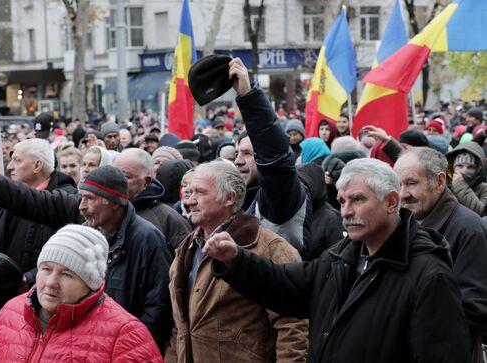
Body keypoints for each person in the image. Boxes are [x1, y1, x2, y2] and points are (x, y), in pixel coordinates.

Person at [203, 158, 470, 363]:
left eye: (357, 199)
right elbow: (284, 285)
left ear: (391, 202)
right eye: (342, 201)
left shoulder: (429, 275)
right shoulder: (341, 257)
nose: (346, 211)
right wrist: (236, 259)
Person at [0, 164, 173, 352]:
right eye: (81, 197)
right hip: (79, 344)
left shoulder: (146, 239)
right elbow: (30, 200)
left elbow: (157, 307)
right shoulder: (82, 219)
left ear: (115, 202)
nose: (81, 206)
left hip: (120, 346)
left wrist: (134, 349)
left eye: (89, 198)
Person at [165, 161, 308, 362]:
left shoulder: (269, 248)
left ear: (229, 198)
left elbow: (293, 327)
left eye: (200, 192)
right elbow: (179, 326)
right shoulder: (185, 248)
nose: (190, 201)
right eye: (189, 193)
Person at [0, 225, 163, 362]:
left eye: (66, 274)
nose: (51, 283)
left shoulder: (125, 335)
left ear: (90, 282)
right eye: (46, 269)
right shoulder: (12, 311)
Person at [394, 147, 487, 362]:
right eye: (398, 184)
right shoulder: (401, 224)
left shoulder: (468, 229)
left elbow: (475, 308)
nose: (402, 194)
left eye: (411, 183)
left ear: (439, 181)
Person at [0, 138, 78, 312]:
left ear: (37, 166)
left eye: (17, 160)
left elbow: (67, 254)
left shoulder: (64, 203)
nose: (10, 166)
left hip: (42, 303)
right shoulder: (6, 196)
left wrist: (28, 278)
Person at [231, 58, 311, 257]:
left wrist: (249, 97)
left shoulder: (280, 198)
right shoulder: (235, 200)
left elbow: (273, 155)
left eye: (248, 154)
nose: (238, 161)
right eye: (236, 154)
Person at [114, 148, 192, 253]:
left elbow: (184, 264)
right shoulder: (104, 212)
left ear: (146, 181)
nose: (115, 182)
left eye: (125, 177)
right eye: (114, 174)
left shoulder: (167, 219)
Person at [446, 142, 487, 216]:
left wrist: (460, 186)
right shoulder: (444, 185)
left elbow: (481, 212)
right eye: (460, 166)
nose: (464, 171)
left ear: (478, 170)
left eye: (470, 167)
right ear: (452, 167)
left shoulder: (484, 189)